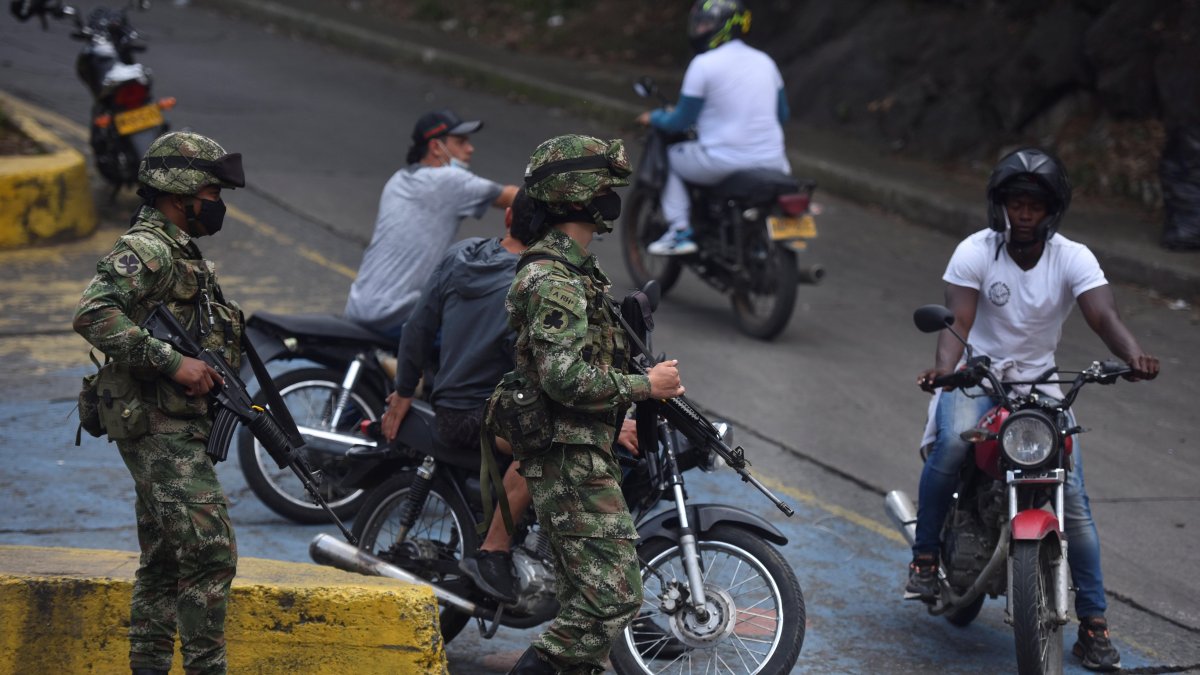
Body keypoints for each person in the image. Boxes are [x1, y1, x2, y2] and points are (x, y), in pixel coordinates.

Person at [908, 148, 1160, 672]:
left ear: (1052, 211)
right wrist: (946, 369)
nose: (1024, 215)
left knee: (1077, 503)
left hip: (1042, 382)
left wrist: (1131, 355)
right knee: (953, 444)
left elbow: (1103, 313)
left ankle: (1093, 624)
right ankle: (925, 559)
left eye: (1034, 206)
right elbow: (958, 318)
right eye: (1015, 204)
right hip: (977, 375)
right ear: (998, 206)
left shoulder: (1073, 257)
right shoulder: (975, 251)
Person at [379, 188, 640, 605]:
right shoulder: (537, 283)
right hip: (480, 413)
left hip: (458, 403)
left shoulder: (463, 254)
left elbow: (417, 327)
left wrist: (404, 390)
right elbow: (554, 369)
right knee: (541, 446)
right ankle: (493, 551)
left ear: (506, 221)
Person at [503, 134, 685, 675]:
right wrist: (643, 387)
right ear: (577, 194)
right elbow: (562, 378)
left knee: (586, 599)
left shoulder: (577, 272)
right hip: (568, 455)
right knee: (613, 598)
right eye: (603, 184)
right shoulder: (553, 279)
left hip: (584, 445)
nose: (611, 196)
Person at [74, 131, 246, 675]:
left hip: (172, 421)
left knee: (167, 560)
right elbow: (93, 313)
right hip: (156, 424)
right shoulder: (148, 248)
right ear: (182, 194)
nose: (218, 205)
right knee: (212, 552)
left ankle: (148, 665)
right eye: (213, 193)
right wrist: (174, 364)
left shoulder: (175, 249)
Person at [344, 108, 519, 339]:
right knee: (476, 342)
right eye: (461, 141)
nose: (470, 148)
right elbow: (516, 198)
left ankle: (399, 369)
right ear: (436, 147)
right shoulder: (448, 181)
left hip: (359, 305)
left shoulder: (398, 180)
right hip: (395, 313)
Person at [636, 0, 790, 256]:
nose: (700, 29)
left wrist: (654, 117)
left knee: (670, 157)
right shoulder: (766, 62)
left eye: (706, 23)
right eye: (699, 23)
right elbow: (782, 116)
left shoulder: (704, 64)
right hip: (776, 163)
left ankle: (679, 230)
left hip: (724, 161)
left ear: (725, 27)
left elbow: (680, 121)